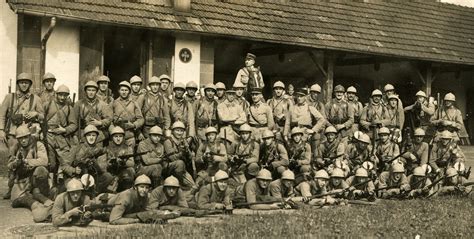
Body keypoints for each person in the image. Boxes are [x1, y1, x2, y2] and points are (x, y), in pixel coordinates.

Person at [0, 72, 44, 154]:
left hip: (29, 133)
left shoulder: (36, 99)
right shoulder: (10, 97)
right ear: (18, 84)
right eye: (21, 82)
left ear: (30, 84)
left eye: (26, 83)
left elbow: (42, 117)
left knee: (28, 156)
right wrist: (1, 130)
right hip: (13, 133)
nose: (24, 85)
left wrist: (36, 114)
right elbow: (1, 115)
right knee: (12, 157)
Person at [42, 85, 77, 183]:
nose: (62, 98)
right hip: (48, 137)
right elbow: (41, 120)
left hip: (62, 139)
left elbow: (74, 125)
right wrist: (41, 132)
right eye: (60, 95)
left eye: (65, 95)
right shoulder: (47, 105)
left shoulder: (69, 108)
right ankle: (50, 185)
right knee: (51, 163)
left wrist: (65, 130)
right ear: (56, 94)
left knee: (65, 163)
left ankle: (63, 184)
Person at [61, 125, 110, 195]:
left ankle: (95, 193)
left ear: (97, 137)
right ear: (85, 137)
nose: (91, 137)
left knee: (108, 177)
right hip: (76, 176)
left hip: (92, 176)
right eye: (89, 135)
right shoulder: (77, 148)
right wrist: (74, 170)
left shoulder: (98, 149)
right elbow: (64, 165)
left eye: (94, 135)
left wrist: (95, 163)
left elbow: (101, 169)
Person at [8, 125, 49, 205]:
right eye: (20, 138)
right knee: (15, 199)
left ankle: (42, 193)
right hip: (23, 177)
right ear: (17, 139)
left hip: (34, 175)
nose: (23, 140)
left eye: (25, 137)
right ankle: (32, 194)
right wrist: (15, 163)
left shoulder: (38, 145)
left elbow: (44, 161)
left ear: (29, 136)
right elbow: (9, 164)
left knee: (41, 170)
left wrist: (27, 161)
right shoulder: (16, 147)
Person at [163, 121, 196, 190]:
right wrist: (182, 152)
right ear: (173, 131)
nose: (179, 133)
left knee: (193, 186)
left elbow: (190, 157)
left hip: (181, 169)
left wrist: (187, 150)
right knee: (179, 163)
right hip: (168, 167)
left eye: (181, 131)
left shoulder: (183, 141)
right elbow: (172, 158)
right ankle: (179, 183)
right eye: (177, 130)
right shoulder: (168, 141)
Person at [111, 81, 144, 149]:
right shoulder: (114, 103)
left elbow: (141, 119)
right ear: (119, 91)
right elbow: (109, 119)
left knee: (130, 156)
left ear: (129, 91)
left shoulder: (134, 103)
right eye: (122, 90)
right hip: (117, 136)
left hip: (130, 135)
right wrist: (113, 130)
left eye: (126, 90)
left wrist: (134, 125)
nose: (124, 92)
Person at [105, 126, 135, 192]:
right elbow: (104, 164)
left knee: (130, 171)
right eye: (116, 136)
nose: (118, 139)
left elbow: (132, 163)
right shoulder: (107, 148)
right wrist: (112, 162)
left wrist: (123, 162)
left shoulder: (127, 148)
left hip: (123, 172)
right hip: (111, 172)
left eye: (120, 136)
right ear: (112, 137)